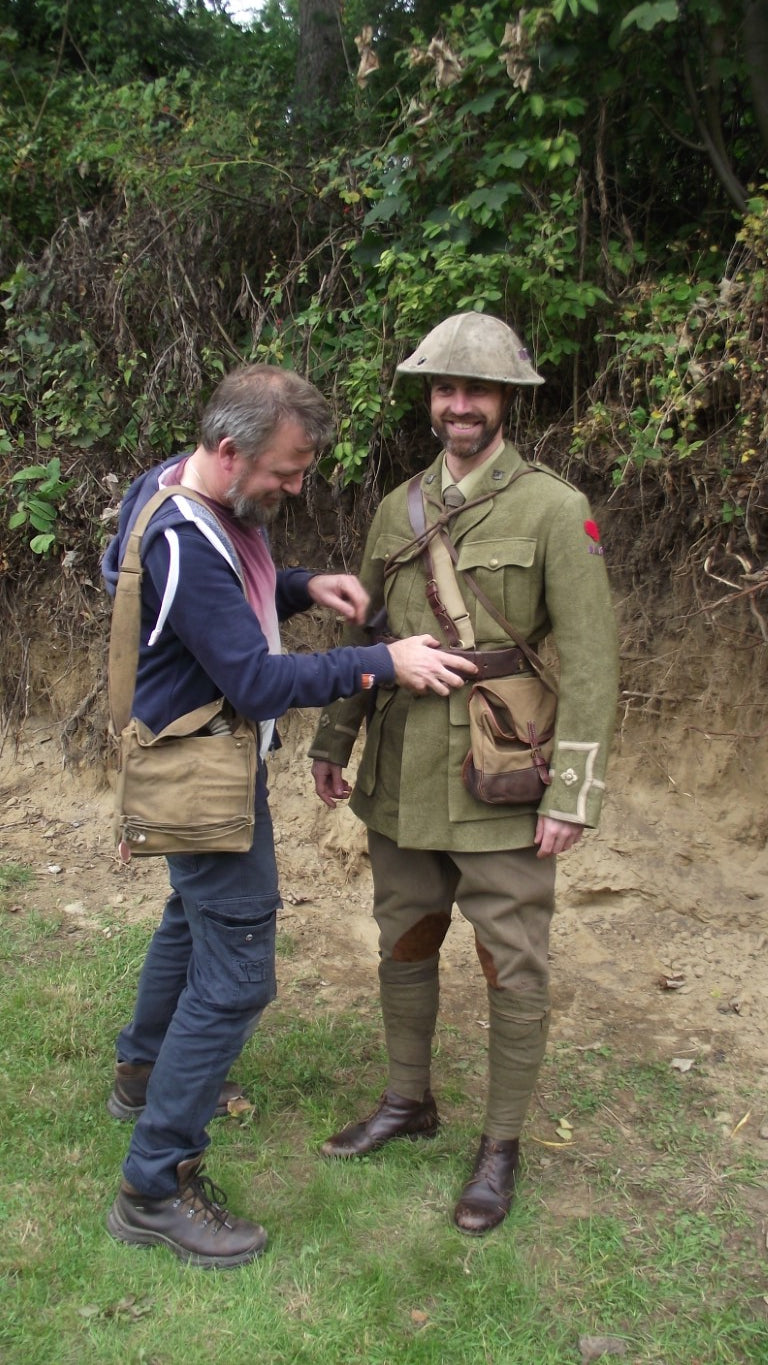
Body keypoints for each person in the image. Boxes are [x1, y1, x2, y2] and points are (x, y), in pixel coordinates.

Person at [101, 362, 476, 1269]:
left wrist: (305, 585)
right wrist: (382, 662)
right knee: (235, 976)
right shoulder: (186, 543)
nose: (297, 486)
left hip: (201, 761)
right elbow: (259, 677)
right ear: (229, 452)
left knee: (192, 921)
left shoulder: (173, 485)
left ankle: (142, 1070)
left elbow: (233, 601)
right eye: (286, 470)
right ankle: (155, 1181)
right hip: (205, 775)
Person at [309, 313, 619, 1236]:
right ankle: (409, 1102)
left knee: (510, 958)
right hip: (403, 768)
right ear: (430, 400)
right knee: (402, 934)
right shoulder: (396, 507)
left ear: (507, 401)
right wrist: (335, 739)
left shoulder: (556, 509)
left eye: (476, 390)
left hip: (505, 773)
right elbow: (366, 637)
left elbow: (594, 662)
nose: (458, 405)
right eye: (445, 389)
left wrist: (575, 791)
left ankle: (501, 1145)